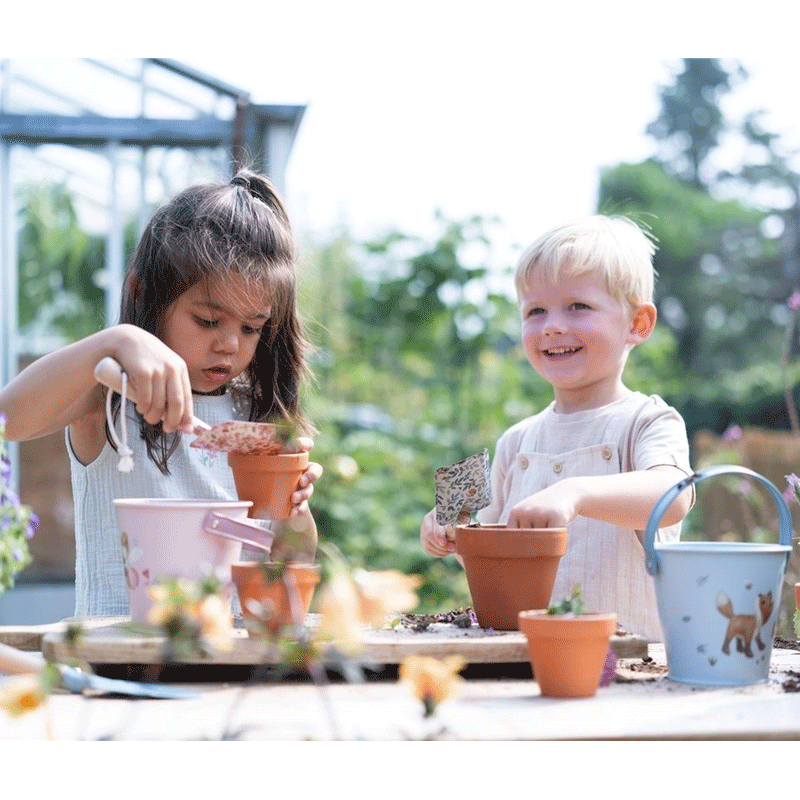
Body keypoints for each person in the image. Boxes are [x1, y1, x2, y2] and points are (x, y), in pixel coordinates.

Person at [0, 169, 322, 618]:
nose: (229, 344)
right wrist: (116, 340)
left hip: (225, 667)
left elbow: (287, 566)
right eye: (208, 321)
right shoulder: (110, 393)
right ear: (144, 294)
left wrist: (293, 511)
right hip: (118, 665)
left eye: (251, 327)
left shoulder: (254, 417)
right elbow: (7, 419)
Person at [420, 215, 693, 641]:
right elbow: (482, 539)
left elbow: (673, 496)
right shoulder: (518, 439)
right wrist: (448, 527)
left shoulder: (648, 420)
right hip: (525, 655)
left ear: (637, 323)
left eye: (578, 306)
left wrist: (576, 492)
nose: (552, 325)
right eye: (536, 311)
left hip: (628, 663)